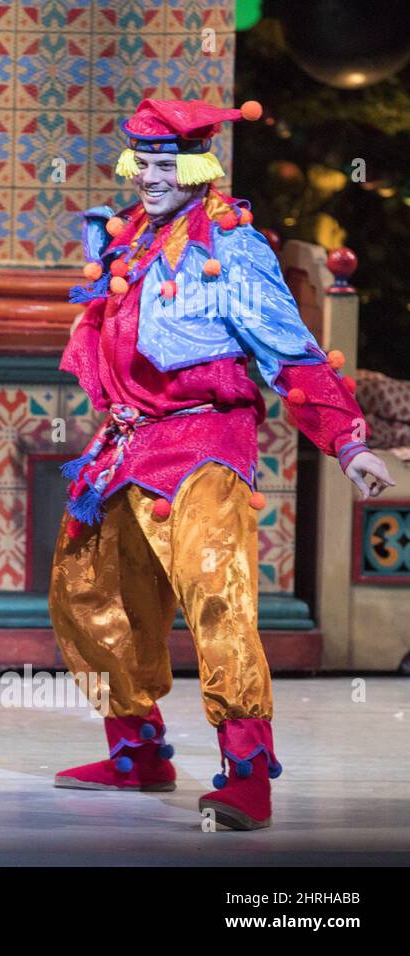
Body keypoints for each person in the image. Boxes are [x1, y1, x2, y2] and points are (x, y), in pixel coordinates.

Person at [49, 99, 394, 830]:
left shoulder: (228, 246)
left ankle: (246, 771)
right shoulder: (132, 235)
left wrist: (350, 443)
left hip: (204, 436)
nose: (148, 175)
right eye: (140, 160)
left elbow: (290, 351)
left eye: (163, 162)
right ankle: (137, 751)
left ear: (199, 165)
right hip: (127, 438)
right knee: (92, 586)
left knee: (215, 593)